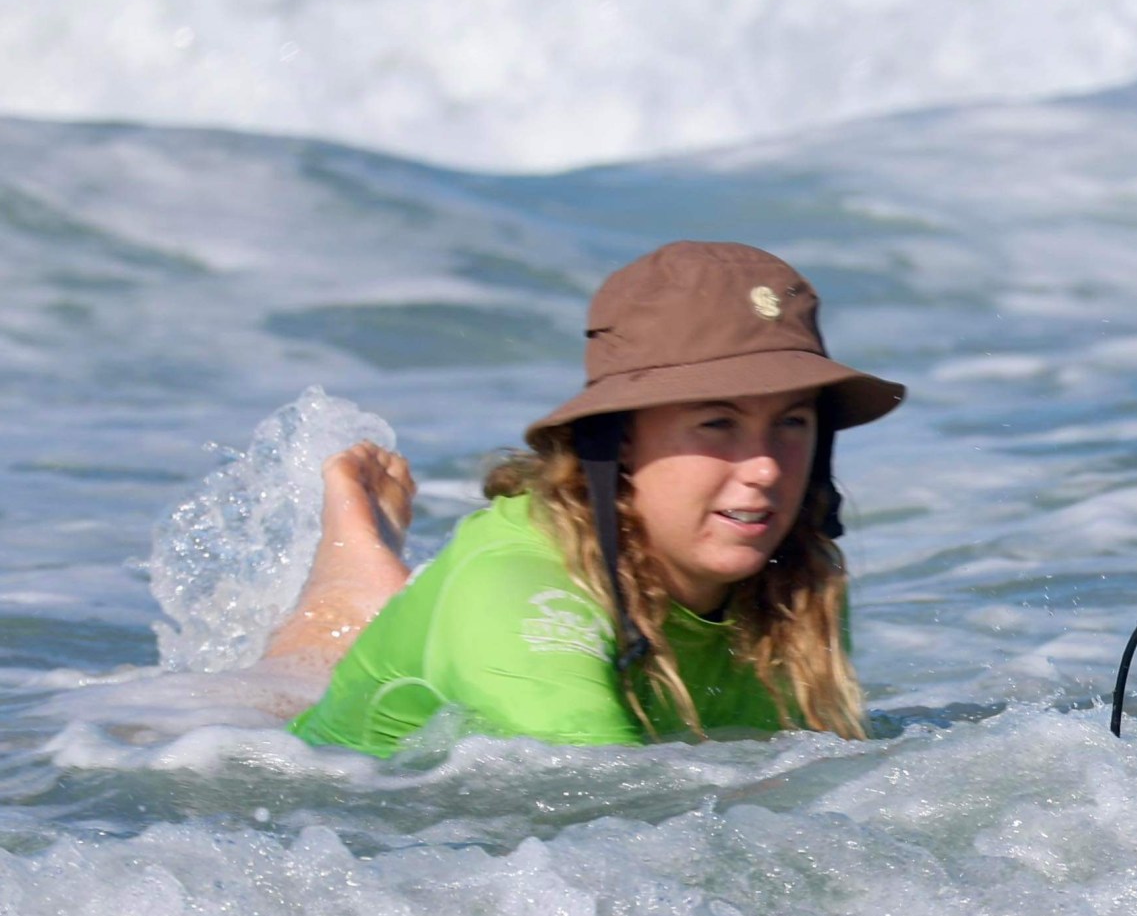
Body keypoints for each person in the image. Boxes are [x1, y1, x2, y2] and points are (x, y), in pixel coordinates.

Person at [268, 240, 904, 754]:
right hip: (271, 750)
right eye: (718, 423)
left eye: (792, 422)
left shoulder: (795, 582)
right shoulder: (523, 601)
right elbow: (622, 825)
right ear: (620, 440)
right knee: (290, 676)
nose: (765, 467)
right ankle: (351, 576)